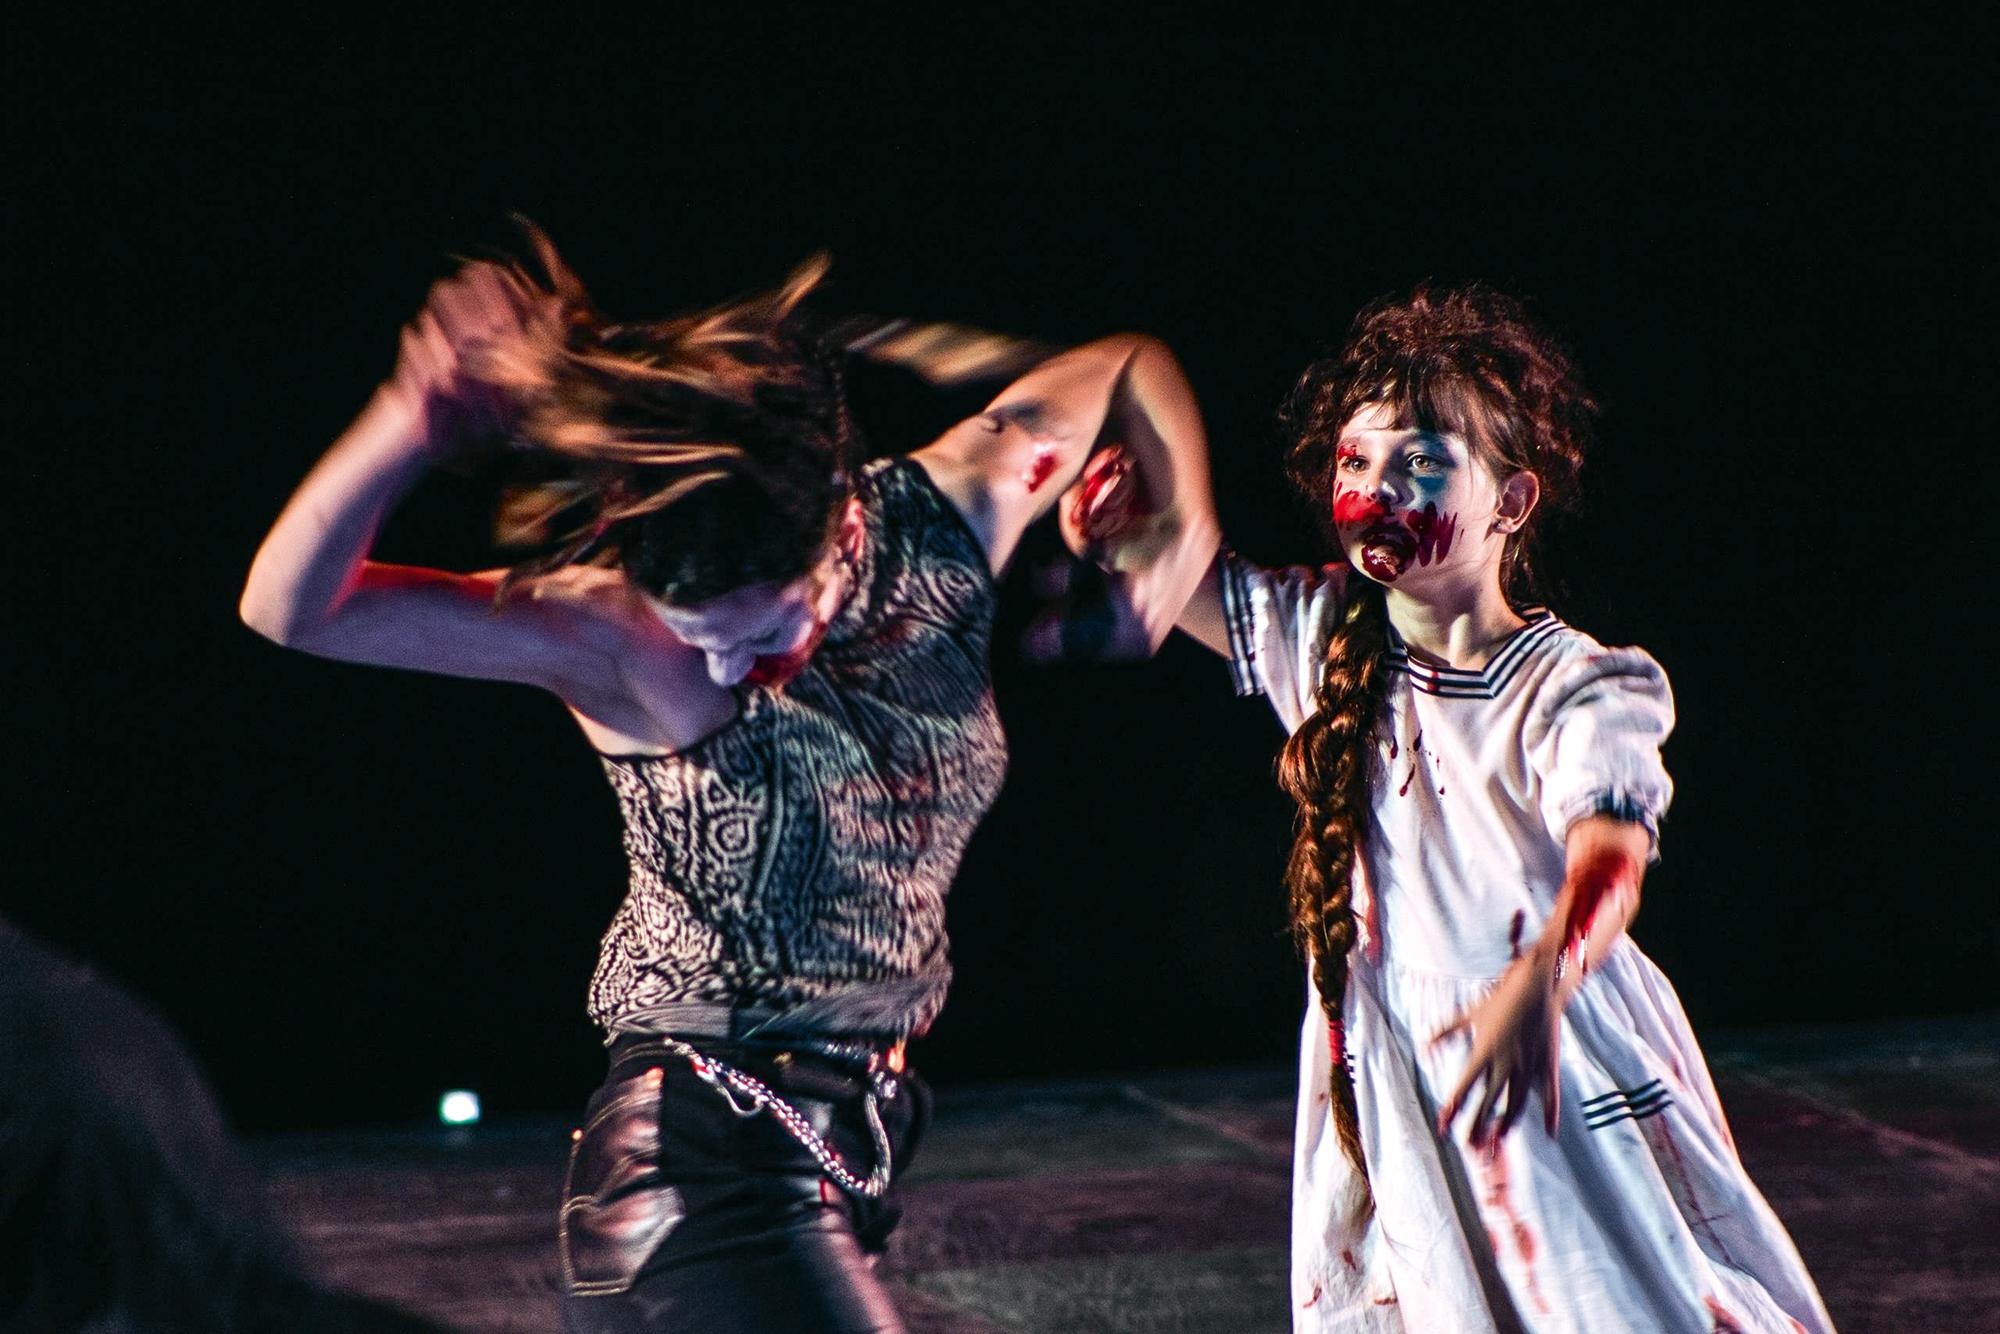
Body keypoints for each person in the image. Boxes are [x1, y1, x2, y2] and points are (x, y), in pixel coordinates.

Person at [238, 229, 1218, 1333]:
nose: (726, 669)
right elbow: (291, 607)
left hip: (840, 1143)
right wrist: (404, 425)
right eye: (702, 638)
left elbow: (1127, 365)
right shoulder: (617, 634)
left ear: (845, 527)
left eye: (761, 633)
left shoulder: (951, 514)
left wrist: (1177, 538)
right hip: (697, 1167)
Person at [1172, 286, 1831, 1331]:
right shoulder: (1325, 640)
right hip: (1390, 1057)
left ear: (1509, 501)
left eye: (1419, 462)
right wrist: (1110, 516)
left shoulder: (1571, 683)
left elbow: (1606, 857)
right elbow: (1159, 563)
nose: (1378, 485)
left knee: (1600, 1301)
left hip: (1539, 1041)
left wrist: (1537, 982)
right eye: (1356, 461)